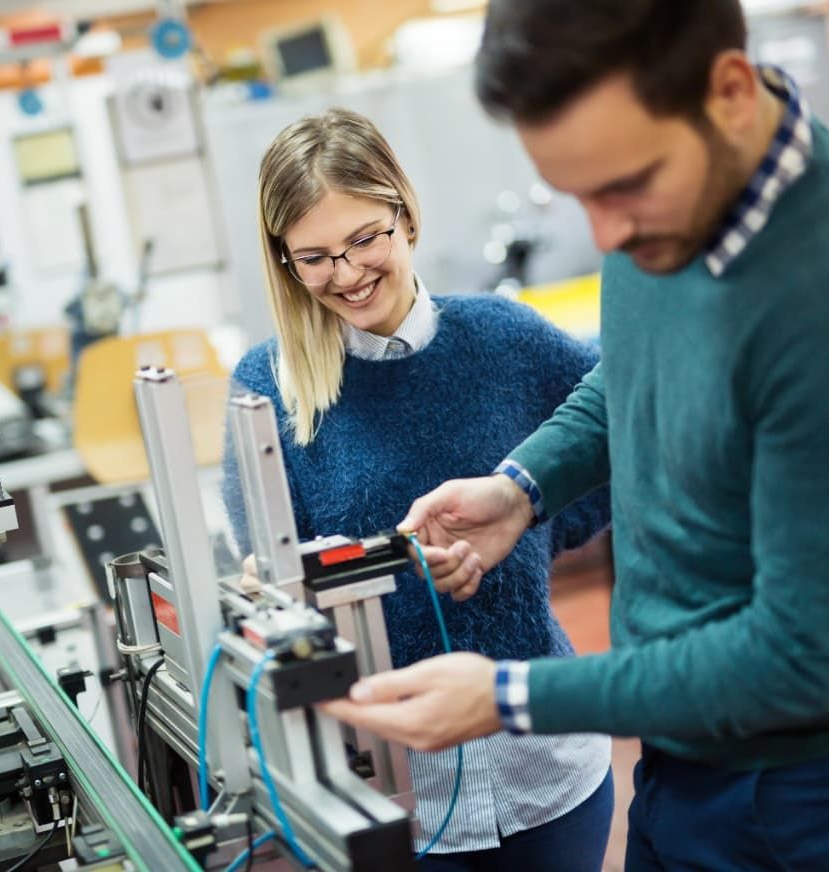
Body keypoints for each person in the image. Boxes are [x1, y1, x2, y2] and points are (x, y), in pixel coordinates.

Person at [321, 1, 829, 868]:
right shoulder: (672, 199)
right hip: (676, 752)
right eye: (579, 196)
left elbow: (796, 656)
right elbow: (629, 373)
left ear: (731, 92)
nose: (605, 236)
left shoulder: (807, 300)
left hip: (788, 792)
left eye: (621, 188)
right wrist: (522, 489)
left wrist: (510, 698)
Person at [222, 107, 614, 870]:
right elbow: (277, 579)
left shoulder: (506, 338)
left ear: (404, 214)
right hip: (395, 791)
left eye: (363, 238)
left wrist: (522, 530)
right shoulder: (268, 389)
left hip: (547, 766)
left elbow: (609, 449)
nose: (345, 274)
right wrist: (334, 581)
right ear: (284, 261)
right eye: (314, 257)